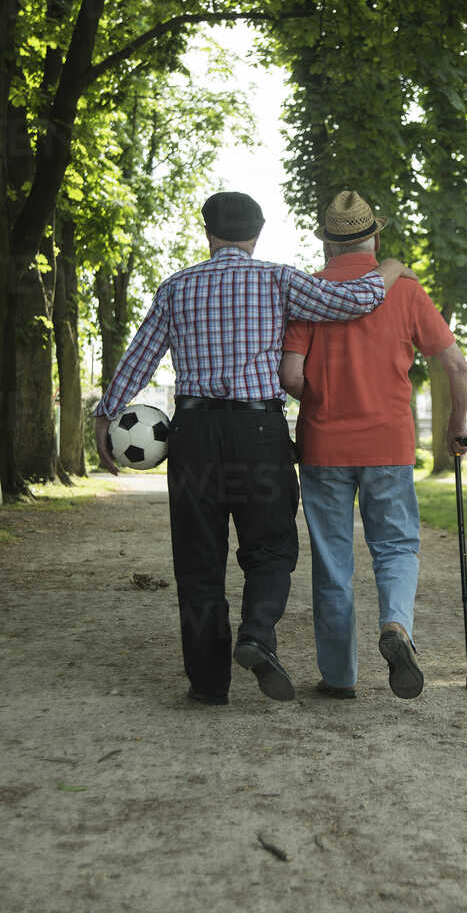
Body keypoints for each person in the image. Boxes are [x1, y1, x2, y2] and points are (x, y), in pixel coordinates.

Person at [94, 191, 416, 706]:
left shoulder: (175, 288)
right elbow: (356, 300)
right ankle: (257, 634)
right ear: (257, 235)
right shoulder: (279, 278)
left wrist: (106, 413)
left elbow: (140, 358)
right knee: (271, 549)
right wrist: (394, 265)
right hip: (259, 434)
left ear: (208, 233)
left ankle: (208, 683)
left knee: (198, 561)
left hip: (193, 435)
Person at [279, 189, 467, 700]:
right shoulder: (405, 291)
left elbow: (291, 377)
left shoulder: (309, 292)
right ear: (375, 236)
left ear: (327, 245)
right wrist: (458, 426)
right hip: (389, 444)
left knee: (332, 561)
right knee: (396, 546)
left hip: (323, 447)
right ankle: (397, 627)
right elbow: (455, 365)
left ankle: (340, 677)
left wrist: (322, 391)